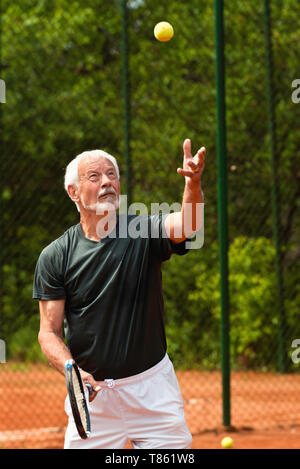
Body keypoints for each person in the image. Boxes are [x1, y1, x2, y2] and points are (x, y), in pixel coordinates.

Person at [33, 138, 205, 449]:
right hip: (93, 399)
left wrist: (193, 184)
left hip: (153, 391)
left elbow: (189, 223)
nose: (107, 182)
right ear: (73, 192)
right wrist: (71, 370)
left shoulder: (142, 231)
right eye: (94, 176)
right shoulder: (55, 256)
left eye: (112, 174)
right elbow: (49, 332)